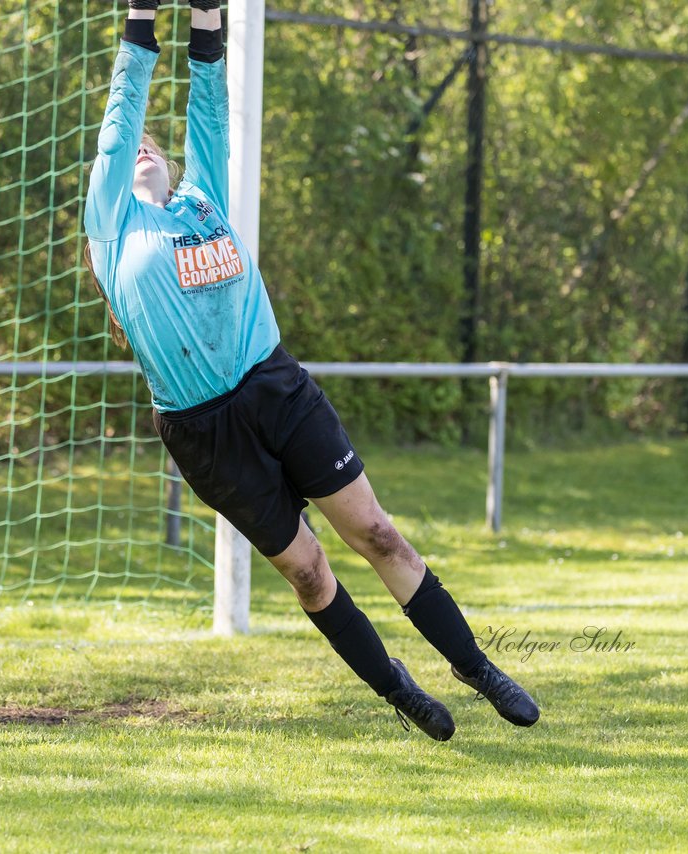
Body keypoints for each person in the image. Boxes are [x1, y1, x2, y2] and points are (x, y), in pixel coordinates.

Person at [83, 0, 538, 741]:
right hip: (203, 433)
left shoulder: (206, 200)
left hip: (274, 384)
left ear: (171, 165)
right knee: (310, 573)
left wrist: (205, 19)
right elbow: (124, 101)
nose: (141, 149)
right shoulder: (112, 227)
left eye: (152, 148)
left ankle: (477, 667)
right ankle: (401, 693)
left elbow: (211, 99)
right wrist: (139, 17)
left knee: (379, 535)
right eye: (132, 146)